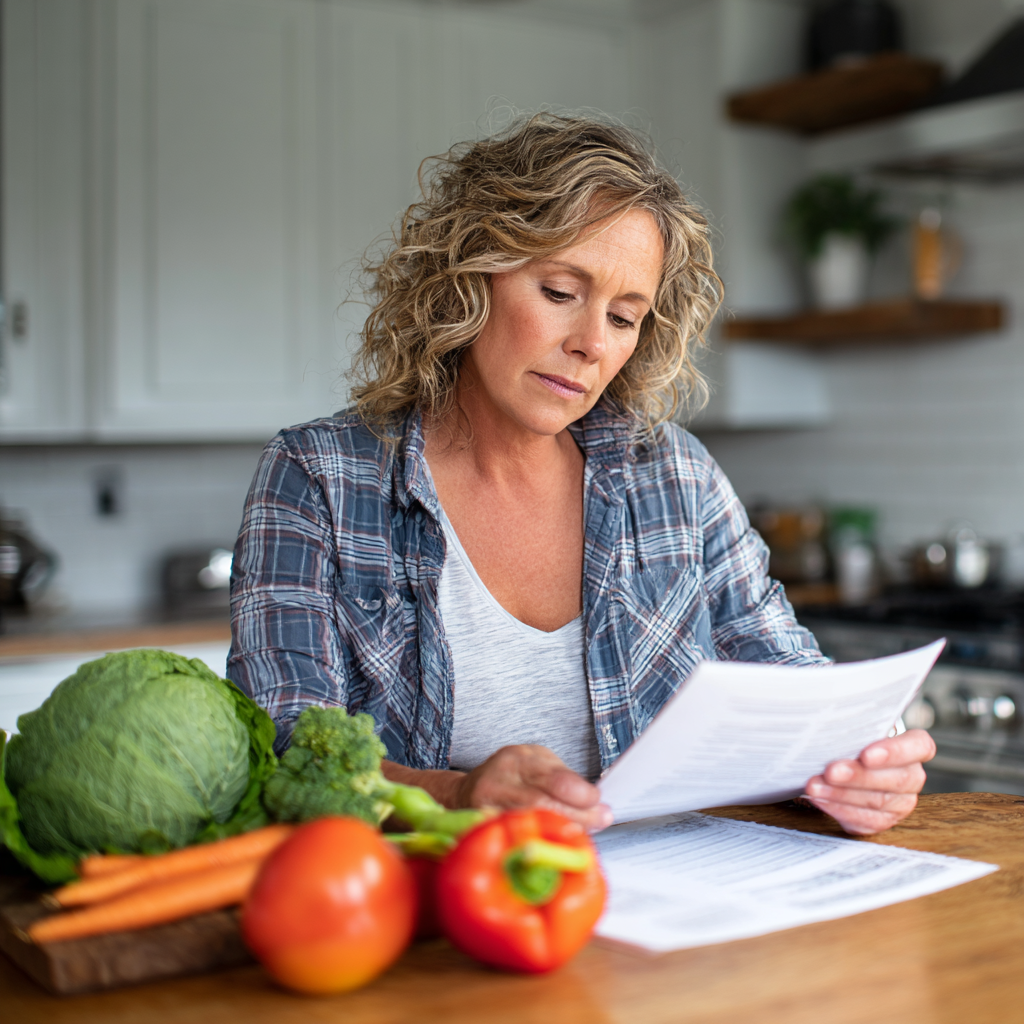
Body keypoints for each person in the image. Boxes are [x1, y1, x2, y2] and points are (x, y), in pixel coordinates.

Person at [228, 114, 935, 837]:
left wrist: (855, 769)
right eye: (561, 293)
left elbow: (791, 682)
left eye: (625, 317)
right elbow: (282, 750)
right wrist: (453, 794)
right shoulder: (319, 477)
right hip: (431, 915)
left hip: (675, 910)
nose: (592, 344)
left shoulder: (675, 478)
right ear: (469, 277)